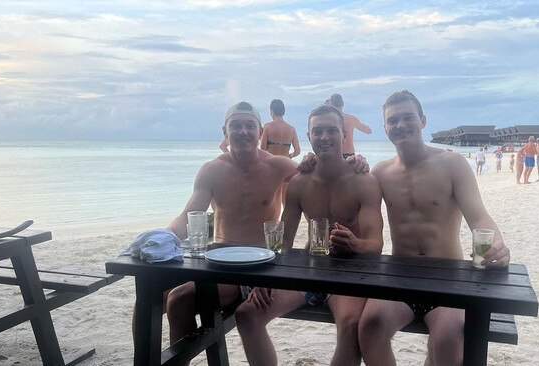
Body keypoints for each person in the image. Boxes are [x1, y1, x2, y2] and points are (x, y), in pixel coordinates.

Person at [151, 102, 367, 353]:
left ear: (260, 131)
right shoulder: (211, 170)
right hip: (215, 260)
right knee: (152, 293)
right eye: (236, 126)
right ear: (225, 131)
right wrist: (161, 237)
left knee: (179, 299)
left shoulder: (277, 166)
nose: (243, 132)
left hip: (255, 265)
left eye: (249, 126)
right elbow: (188, 217)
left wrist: (355, 160)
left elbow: (322, 174)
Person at [358, 90, 510, 366]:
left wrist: (497, 245)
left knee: (448, 337)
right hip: (399, 276)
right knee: (370, 326)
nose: (400, 125)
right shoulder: (379, 173)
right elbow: (349, 189)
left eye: (408, 118)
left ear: (423, 120)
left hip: (448, 277)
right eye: (393, 121)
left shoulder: (452, 164)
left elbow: (479, 218)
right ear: (385, 128)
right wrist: (349, 163)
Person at [235, 104, 383, 366]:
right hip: (310, 270)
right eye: (318, 131)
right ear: (309, 135)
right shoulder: (299, 183)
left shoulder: (364, 180)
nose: (324, 137)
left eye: (331, 130)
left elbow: (376, 245)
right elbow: (284, 241)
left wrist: (355, 244)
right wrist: (268, 276)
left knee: (350, 325)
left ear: (343, 134)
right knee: (247, 313)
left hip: (351, 273)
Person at [328, 93, 372, 158]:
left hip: (333, 155)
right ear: (343, 103)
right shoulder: (351, 119)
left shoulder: (327, 120)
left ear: (331, 104)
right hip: (349, 155)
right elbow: (368, 131)